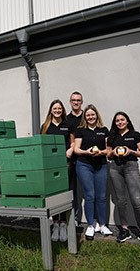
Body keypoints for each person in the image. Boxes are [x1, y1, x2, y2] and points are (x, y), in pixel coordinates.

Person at [107, 111, 140, 244]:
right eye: (117, 120)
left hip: (131, 166)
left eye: (122, 120)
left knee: (136, 200)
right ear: (115, 123)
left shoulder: (135, 135)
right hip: (115, 168)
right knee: (121, 200)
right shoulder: (112, 136)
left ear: (127, 121)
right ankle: (124, 230)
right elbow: (108, 155)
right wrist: (113, 153)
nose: (120, 122)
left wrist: (131, 151)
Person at [74, 104, 113, 240]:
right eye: (88, 115)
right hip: (84, 165)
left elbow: (109, 150)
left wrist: (101, 152)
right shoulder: (80, 131)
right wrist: (87, 152)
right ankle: (90, 225)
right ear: (85, 117)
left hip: (101, 165)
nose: (90, 117)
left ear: (97, 115)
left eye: (93, 114)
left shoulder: (104, 130)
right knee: (90, 195)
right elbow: (76, 149)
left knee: (102, 196)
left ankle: (102, 224)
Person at [41, 99, 74, 242]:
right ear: (51, 110)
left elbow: (72, 142)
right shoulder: (45, 126)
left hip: (65, 163)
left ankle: (64, 224)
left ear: (63, 110)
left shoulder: (68, 125)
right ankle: (55, 224)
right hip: (51, 164)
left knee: (65, 193)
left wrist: (71, 150)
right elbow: (41, 143)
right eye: (55, 108)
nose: (57, 110)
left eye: (59, 108)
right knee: (54, 193)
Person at [66, 91, 83, 227]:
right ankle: (74, 217)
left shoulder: (88, 116)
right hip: (72, 160)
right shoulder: (67, 120)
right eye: (73, 100)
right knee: (72, 189)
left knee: (89, 191)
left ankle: (93, 221)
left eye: (78, 100)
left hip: (87, 160)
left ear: (81, 102)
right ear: (70, 102)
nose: (76, 102)